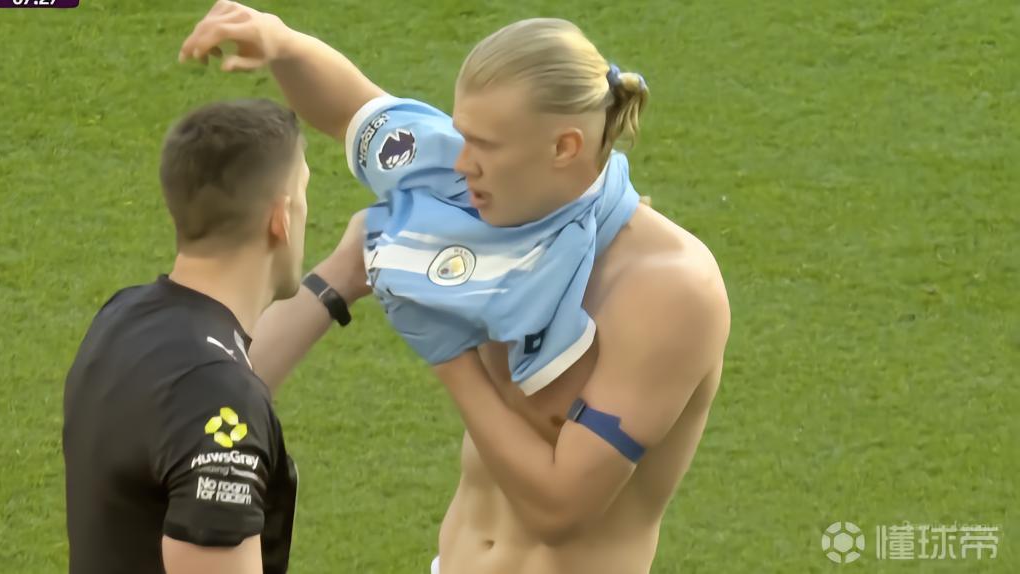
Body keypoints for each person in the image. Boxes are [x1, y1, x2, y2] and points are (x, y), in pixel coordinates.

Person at [180, 3, 731, 573]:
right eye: (462, 135)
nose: (462, 162)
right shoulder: (482, 189)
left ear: (564, 147)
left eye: (484, 145)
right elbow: (353, 112)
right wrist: (281, 42)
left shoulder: (668, 291)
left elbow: (560, 510)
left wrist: (447, 353)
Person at [62, 98, 368, 574]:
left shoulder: (124, 317)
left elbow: (212, 377)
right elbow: (214, 393)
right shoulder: (216, 395)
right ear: (281, 218)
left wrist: (342, 276)